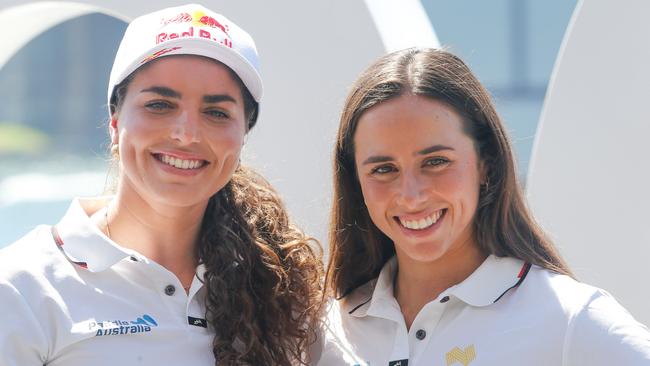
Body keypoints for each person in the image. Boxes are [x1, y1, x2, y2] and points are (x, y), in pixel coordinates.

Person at [0, 4, 325, 365]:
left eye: (216, 113)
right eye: (159, 105)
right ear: (114, 121)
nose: (186, 134)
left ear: (242, 136)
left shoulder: (281, 289)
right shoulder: (21, 289)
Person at [322, 47, 650, 365]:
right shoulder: (325, 333)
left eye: (435, 161)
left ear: (486, 164)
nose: (412, 195)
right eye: (383, 169)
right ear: (355, 180)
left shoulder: (569, 320)